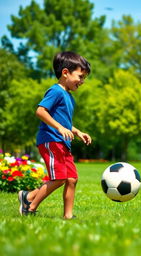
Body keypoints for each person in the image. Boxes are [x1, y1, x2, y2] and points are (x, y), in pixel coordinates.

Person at [18, 51, 92, 219]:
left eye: (84, 78)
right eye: (80, 76)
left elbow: (64, 123)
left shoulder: (69, 97)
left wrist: (77, 131)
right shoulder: (56, 91)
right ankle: (29, 207)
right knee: (59, 178)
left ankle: (67, 215)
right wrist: (59, 128)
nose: (82, 81)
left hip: (62, 142)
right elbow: (41, 111)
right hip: (50, 140)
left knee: (72, 178)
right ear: (65, 73)